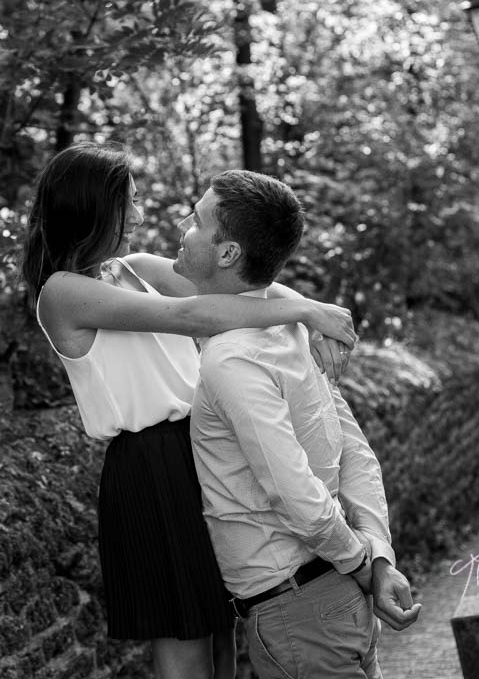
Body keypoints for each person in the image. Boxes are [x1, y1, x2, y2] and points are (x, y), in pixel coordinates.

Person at [20, 143, 358, 679]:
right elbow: (194, 313)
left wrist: (309, 315)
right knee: (185, 637)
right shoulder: (62, 294)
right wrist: (310, 310)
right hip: (150, 466)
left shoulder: (131, 268)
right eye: (125, 204)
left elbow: (253, 288)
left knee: (223, 628)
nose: (137, 215)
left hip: (201, 450)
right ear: (89, 209)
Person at [177, 169, 421, 679]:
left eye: (196, 220)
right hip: (330, 600)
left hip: (298, 609)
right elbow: (356, 453)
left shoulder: (232, 359)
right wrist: (378, 559)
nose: (183, 225)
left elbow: (297, 498)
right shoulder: (290, 325)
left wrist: (363, 566)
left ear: (228, 253)